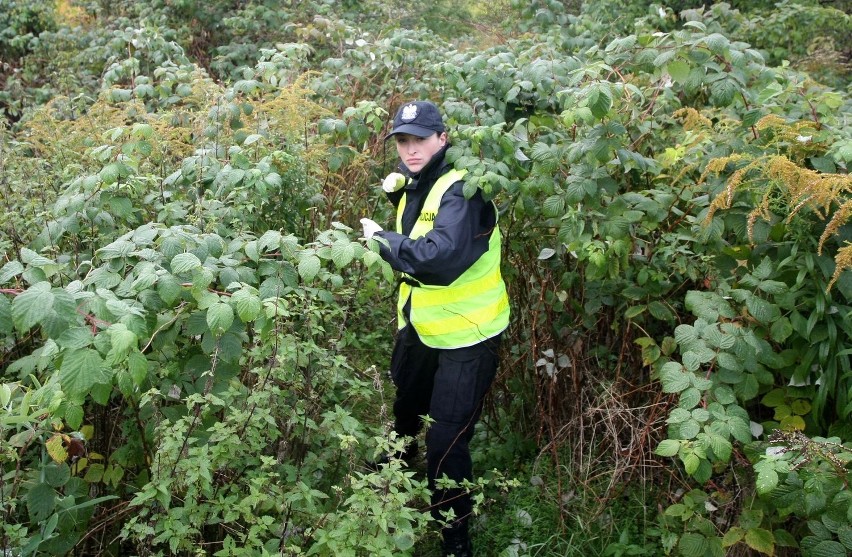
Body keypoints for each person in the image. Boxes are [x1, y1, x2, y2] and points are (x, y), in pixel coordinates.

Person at [360, 100, 510, 557]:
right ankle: (400, 466)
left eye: (420, 139)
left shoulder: (465, 191)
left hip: (469, 333)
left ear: (442, 139)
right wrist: (398, 197)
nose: (410, 149)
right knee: (406, 402)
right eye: (403, 141)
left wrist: (381, 239)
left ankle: (454, 539)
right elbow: (424, 224)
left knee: (446, 440)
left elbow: (440, 259)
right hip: (423, 325)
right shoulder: (417, 182)